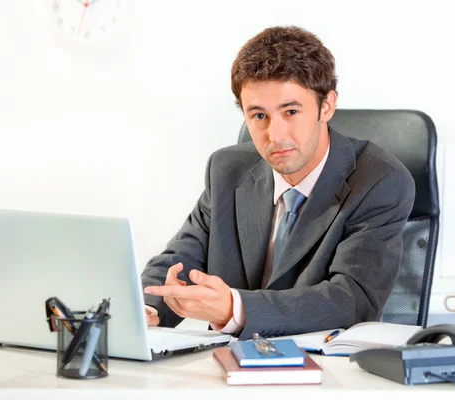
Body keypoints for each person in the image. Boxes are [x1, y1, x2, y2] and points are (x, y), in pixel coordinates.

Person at [141, 26, 415, 340]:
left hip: (327, 374)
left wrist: (235, 308)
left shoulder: (380, 181)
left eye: (291, 111)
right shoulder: (226, 170)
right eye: (259, 116)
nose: (275, 136)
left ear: (326, 105)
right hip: (227, 370)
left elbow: (352, 299)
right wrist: (146, 310)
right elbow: (180, 261)